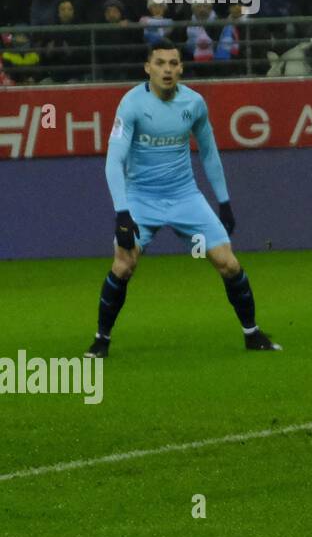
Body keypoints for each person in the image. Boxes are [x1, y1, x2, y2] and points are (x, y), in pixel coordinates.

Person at [86, 40, 280, 357]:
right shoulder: (132, 104)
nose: (167, 69)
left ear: (181, 68)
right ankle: (101, 341)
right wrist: (122, 212)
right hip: (140, 199)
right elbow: (114, 160)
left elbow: (209, 152)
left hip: (185, 197)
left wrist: (224, 202)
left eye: (173, 63)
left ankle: (253, 334)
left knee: (228, 263)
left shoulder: (194, 103)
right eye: (160, 63)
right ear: (147, 67)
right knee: (124, 266)